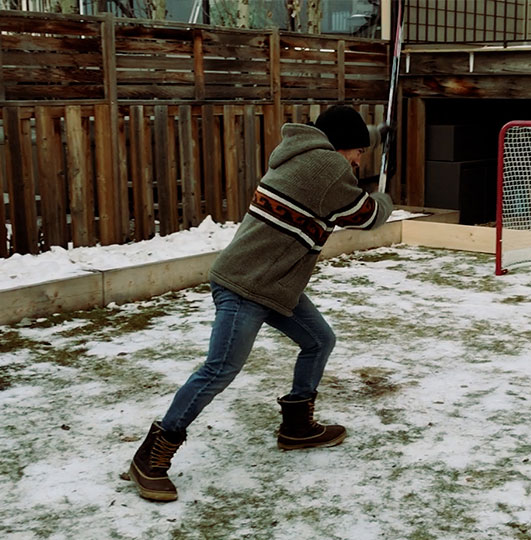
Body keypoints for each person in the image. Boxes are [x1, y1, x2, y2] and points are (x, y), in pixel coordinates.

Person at [129, 105, 394, 502]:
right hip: (246, 285)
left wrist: (376, 133)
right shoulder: (328, 168)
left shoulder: (304, 153)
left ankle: (297, 427)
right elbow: (366, 215)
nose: (358, 161)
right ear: (343, 147)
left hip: (273, 284)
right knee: (219, 369)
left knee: (319, 340)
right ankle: (150, 458)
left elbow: (337, 133)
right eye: (359, 151)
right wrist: (386, 197)